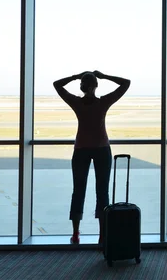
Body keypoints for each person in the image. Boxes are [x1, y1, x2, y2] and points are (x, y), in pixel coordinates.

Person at [53, 70, 130, 244]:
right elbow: (126, 83)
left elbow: (57, 85)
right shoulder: (103, 103)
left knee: (78, 191)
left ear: (81, 86)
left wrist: (74, 76)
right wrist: (106, 76)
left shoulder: (77, 103)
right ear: (96, 86)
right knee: (102, 192)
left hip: (81, 149)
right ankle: (103, 234)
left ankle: (75, 233)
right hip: (102, 149)